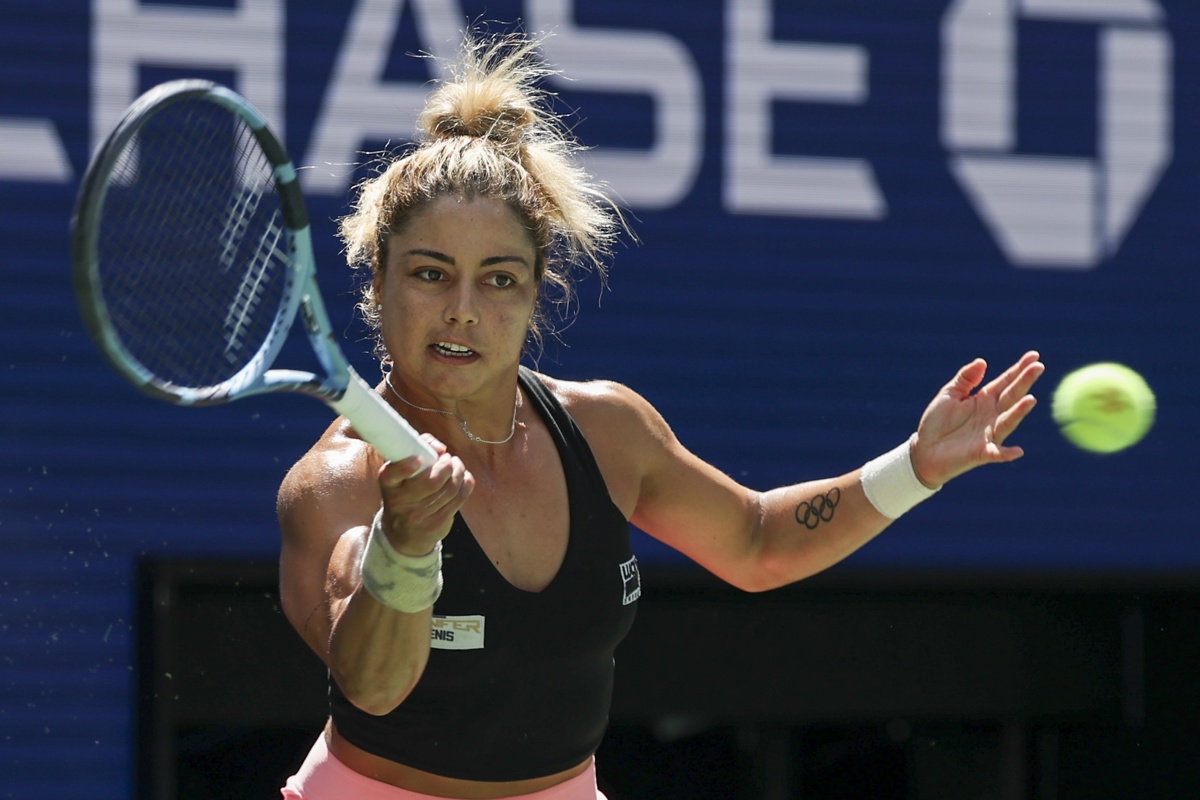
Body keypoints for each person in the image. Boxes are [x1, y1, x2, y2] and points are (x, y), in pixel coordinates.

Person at [276, 32, 1044, 800]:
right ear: (378, 281)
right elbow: (374, 686)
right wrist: (405, 549)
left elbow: (757, 541)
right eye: (430, 274)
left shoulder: (609, 431)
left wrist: (916, 467)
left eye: (499, 279)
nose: (464, 311)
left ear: (537, 292)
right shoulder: (338, 480)